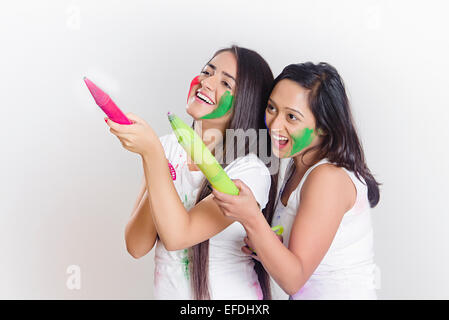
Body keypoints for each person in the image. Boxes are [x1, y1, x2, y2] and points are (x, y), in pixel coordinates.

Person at [105, 46, 278, 299]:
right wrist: (158, 159)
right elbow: (136, 245)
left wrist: (153, 154)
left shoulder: (250, 171)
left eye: (225, 83)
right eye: (206, 72)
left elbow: (178, 236)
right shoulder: (165, 147)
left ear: (247, 101)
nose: (206, 82)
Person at [212, 62, 381, 299]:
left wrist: (251, 218)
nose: (275, 124)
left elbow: (294, 279)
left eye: (291, 117)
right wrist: (269, 244)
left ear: (324, 127)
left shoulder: (328, 178)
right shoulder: (298, 167)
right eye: (271, 108)